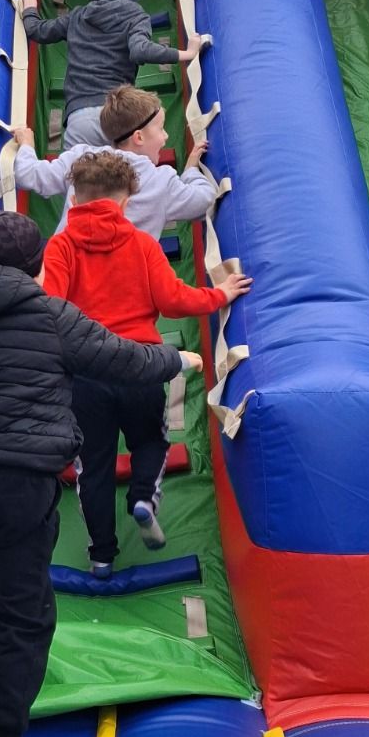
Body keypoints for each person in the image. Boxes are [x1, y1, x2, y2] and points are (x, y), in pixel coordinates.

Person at [0, 211, 202, 737]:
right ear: (39, 265)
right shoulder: (50, 314)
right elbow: (124, 358)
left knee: (16, 552)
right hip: (23, 473)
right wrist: (179, 359)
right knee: (32, 615)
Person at [43, 153, 251, 573]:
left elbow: (52, 307)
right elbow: (173, 300)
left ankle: (102, 555)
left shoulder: (60, 246)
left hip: (86, 372)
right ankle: (142, 497)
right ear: (125, 201)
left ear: (75, 200)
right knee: (151, 440)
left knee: (93, 464)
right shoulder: (141, 244)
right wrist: (220, 294)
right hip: (139, 364)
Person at [20, 0, 207, 147]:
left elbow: (37, 30)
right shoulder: (136, 16)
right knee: (127, 165)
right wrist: (186, 53)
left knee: (79, 166)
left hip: (79, 116)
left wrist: (29, 1)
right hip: (116, 114)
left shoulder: (78, 16)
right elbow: (140, 50)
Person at [12, 84, 219, 238]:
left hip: (68, 274)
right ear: (139, 137)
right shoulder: (161, 182)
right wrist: (191, 171)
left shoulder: (80, 158)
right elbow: (205, 200)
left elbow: (27, 175)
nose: (165, 136)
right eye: (160, 128)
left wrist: (27, 144)